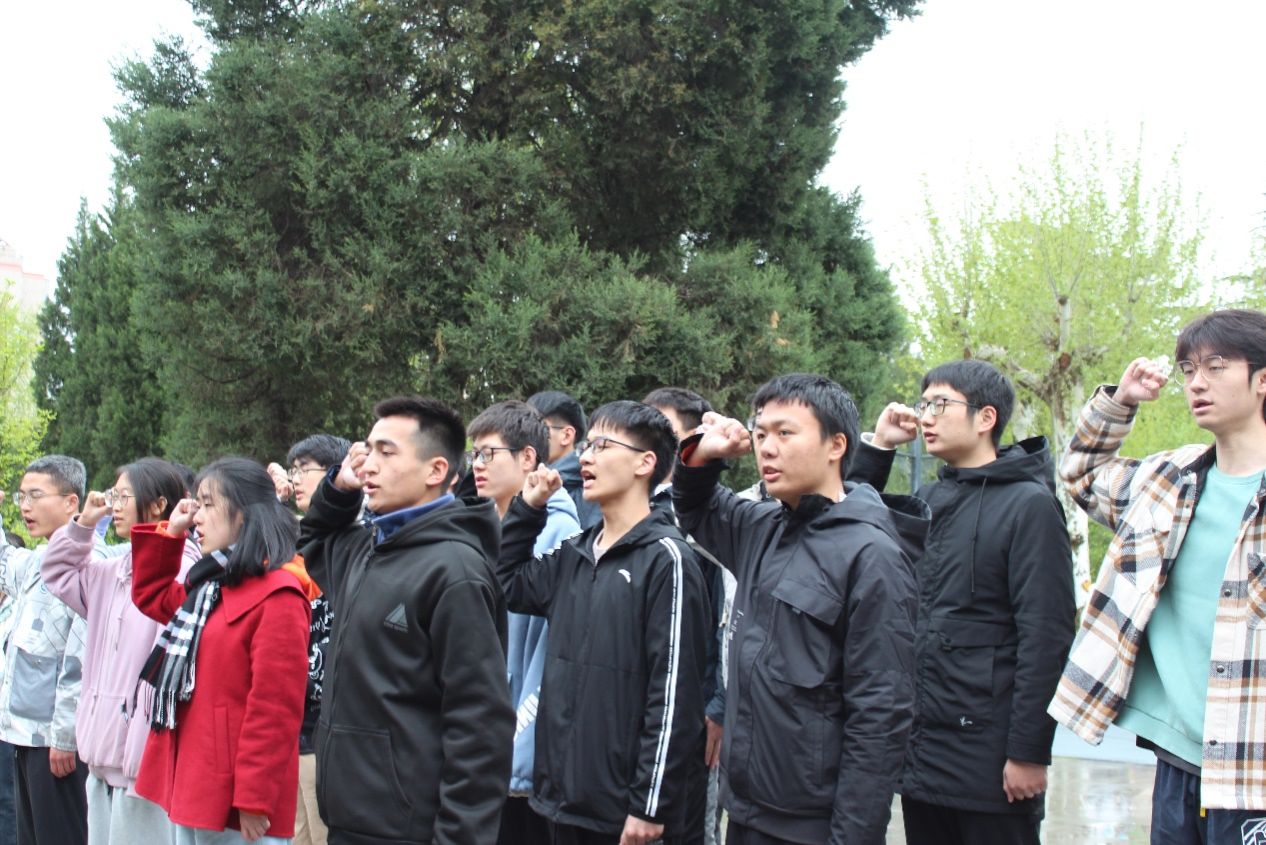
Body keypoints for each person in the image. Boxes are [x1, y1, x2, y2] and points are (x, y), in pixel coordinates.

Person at [672, 373, 930, 845]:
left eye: (785, 433)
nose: (767, 448)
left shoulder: (872, 555)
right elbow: (695, 508)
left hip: (811, 825)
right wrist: (704, 453)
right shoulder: (761, 526)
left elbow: (881, 716)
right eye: (761, 433)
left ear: (836, 445)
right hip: (745, 810)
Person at [1050, 309, 1266, 844]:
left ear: (1262, 380)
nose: (1196, 382)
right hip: (1178, 757)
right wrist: (1120, 402)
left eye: (1216, 366)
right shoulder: (1170, 479)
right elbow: (1081, 474)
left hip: (1254, 768)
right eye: (1188, 369)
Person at [849, 360, 1075, 844]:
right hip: (923, 751)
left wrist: (1030, 751)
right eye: (923, 404)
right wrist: (880, 447)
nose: (925, 416)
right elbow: (846, 522)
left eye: (940, 404)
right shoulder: (929, 498)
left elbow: (1046, 634)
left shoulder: (1030, 504)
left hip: (991, 758)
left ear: (986, 417)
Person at [299, 396, 514, 845]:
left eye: (386, 452)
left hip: (409, 829)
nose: (368, 465)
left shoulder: (455, 571)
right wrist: (340, 488)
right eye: (368, 450)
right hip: (349, 821)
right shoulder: (367, 549)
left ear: (436, 470)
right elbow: (315, 537)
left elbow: (479, 728)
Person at [498, 400, 709, 845]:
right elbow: (507, 585)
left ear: (645, 463)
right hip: (559, 800)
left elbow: (674, 695)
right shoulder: (575, 553)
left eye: (602, 445)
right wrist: (527, 510)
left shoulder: (667, 560)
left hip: (624, 814)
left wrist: (649, 805)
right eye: (587, 446)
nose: (586, 458)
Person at [129, 458, 316, 844]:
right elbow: (153, 596)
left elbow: (275, 709)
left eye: (208, 504)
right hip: (196, 780)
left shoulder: (279, 595)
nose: (196, 516)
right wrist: (171, 533)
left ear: (244, 514)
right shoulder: (211, 586)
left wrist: (254, 797)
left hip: (237, 800)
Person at [41, 458, 198, 845]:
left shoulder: (182, 572)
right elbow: (57, 572)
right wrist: (82, 526)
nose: (115, 505)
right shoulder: (113, 571)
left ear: (158, 505)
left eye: (124, 496)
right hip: (102, 761)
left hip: (143, 769)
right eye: (114, 495)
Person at [467, 400, 581, 845]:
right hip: (482, 733)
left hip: (526, 742)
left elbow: (550, 650)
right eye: (474, 454)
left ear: (528, 458)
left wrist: (522, 743)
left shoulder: (559, 533)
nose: (477, 465)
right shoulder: (482, 525)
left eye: (488, 453)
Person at [643, 387, 732, 845]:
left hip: (696, 712)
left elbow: (726, 611)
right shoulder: (628, 505)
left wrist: (718, 704)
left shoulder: (712, 512)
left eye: (664, 431)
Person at [0, 455, 93, 845]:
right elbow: (3, 560)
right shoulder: (37, 559)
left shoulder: (87, 564)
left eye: (36, 496)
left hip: (56, 743)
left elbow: (80, 658)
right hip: (24, 732)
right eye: (21, 496)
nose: (25, 506)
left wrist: (64, 736)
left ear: (71, 502)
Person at [268, 434, 351, 845]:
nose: (296, 479)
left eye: (305, 470)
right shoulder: (303, 539)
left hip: (330, 728)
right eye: (293, 470)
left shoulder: (352, 539)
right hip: (295, 726)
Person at [527, 390, 601, 529]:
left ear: (566, 436)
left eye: (538, 428)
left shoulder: (594, 492)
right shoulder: (529, 484)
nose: (528, 436)